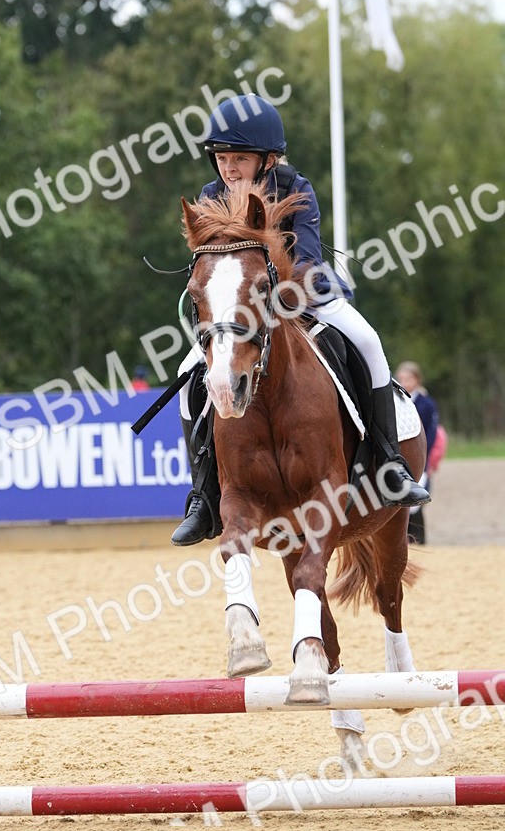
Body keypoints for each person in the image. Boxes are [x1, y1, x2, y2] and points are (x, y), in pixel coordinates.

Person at [171, 94, 430, 546]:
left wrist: (275, 299)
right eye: (222, 158)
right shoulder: (211, 197)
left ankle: (390, 462)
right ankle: (204, 495)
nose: (229, 168)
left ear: (268, 159)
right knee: (187, 374)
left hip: (306, 299)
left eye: (239, 159)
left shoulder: (296, 188)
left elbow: (307, 259)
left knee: (368, 342)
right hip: (241, 318)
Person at [395, 361, 441, 545]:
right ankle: (405, 538)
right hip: (399, 457)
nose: (404, 382)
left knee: (415, 503)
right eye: (401, 378)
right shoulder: (396, 400)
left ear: (417, 380)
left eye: (408, 378)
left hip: (420, 457)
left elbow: (431, 432)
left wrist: (425, 455)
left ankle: (419, 537)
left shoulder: (426, 404)